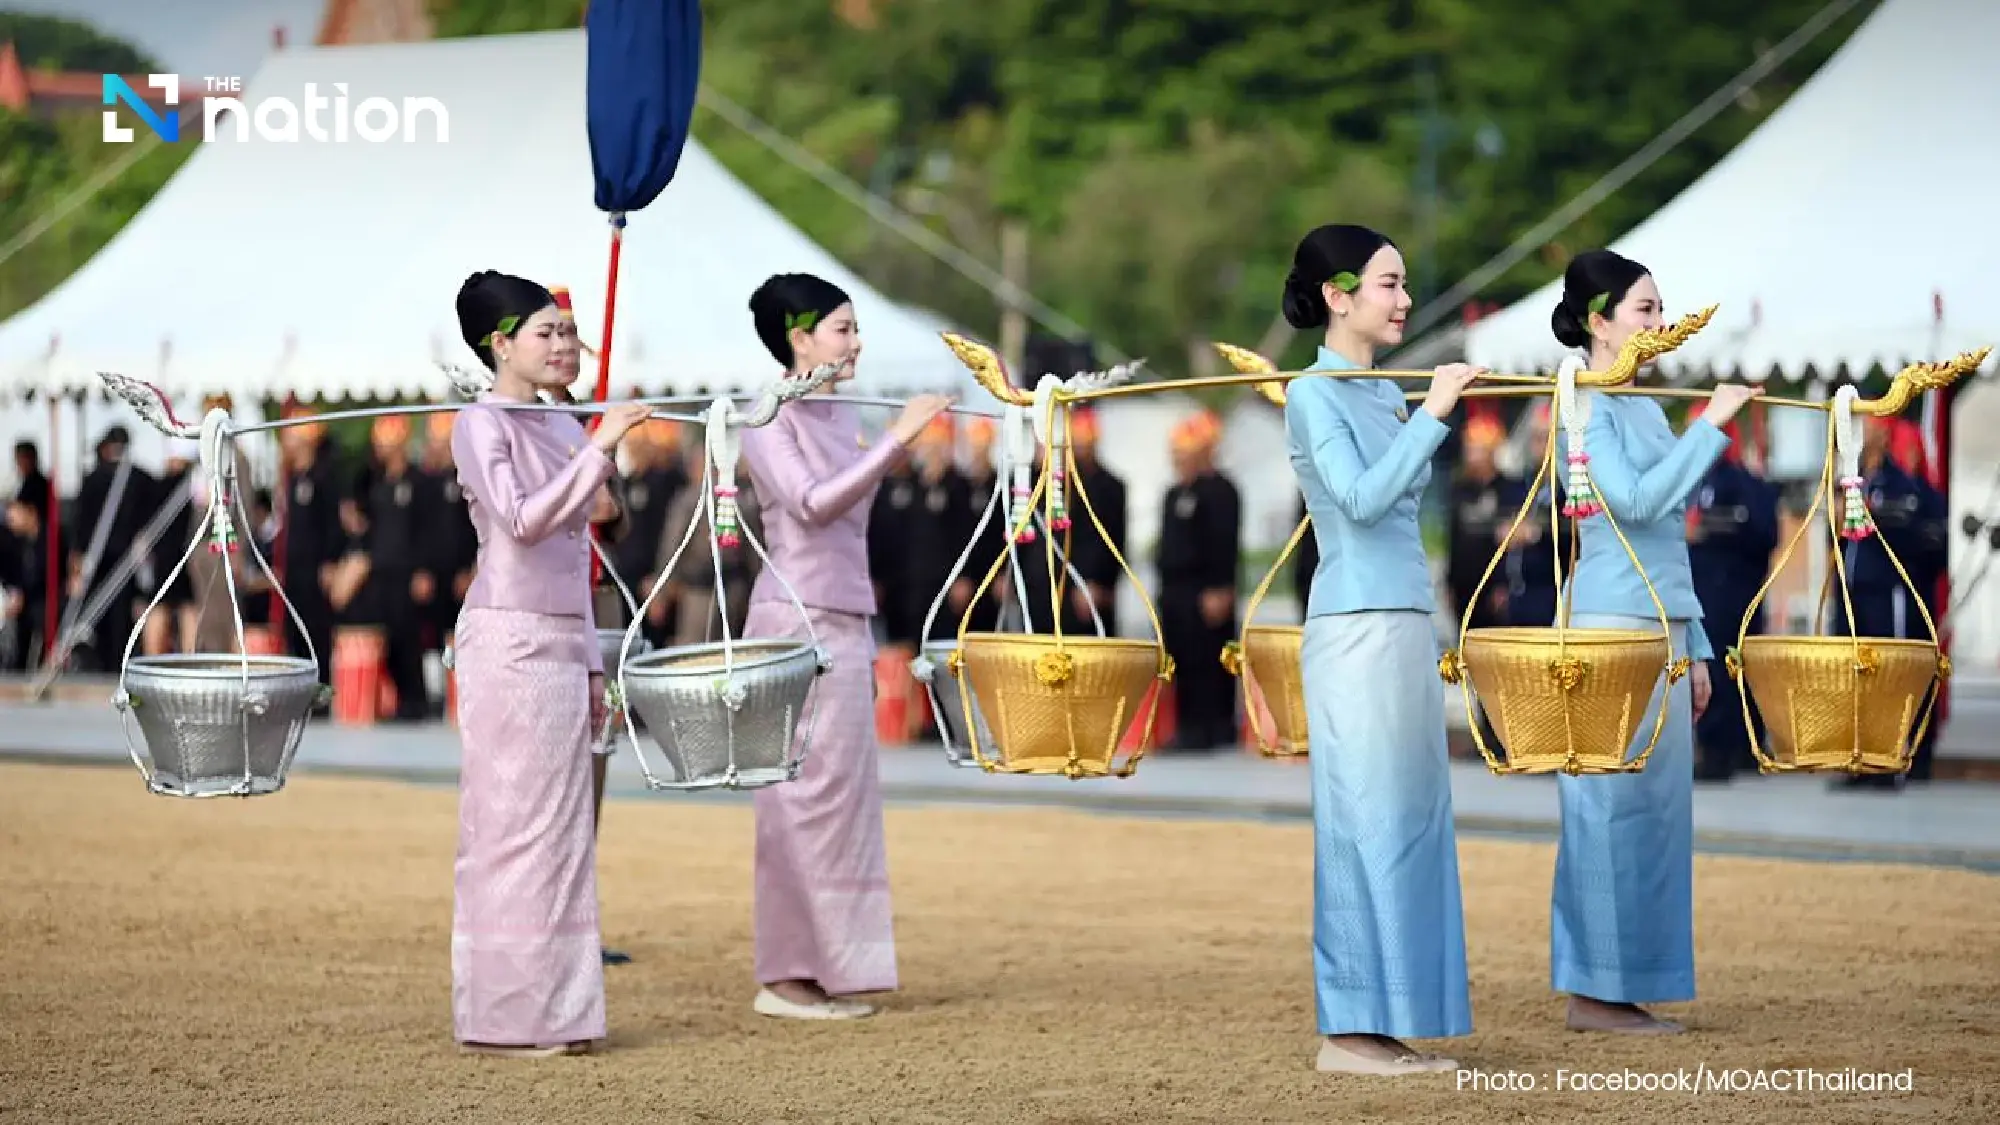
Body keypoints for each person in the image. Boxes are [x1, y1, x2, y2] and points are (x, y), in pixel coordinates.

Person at [1281, 223, 1480, 1075]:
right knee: (1361, 816)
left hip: (1404, 618)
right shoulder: (1311, 395)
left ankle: (1388, 1018)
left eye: (1402, 284)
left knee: (1409, 822)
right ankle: (1348, 1030)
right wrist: (1435, 411)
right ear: (1338, 294)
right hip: (1353, 627)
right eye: (1389, 284)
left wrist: (1418, 411)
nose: (1403, 300)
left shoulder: (1384, 394)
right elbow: (1360, 501)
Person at [1549, 248, 1759, 1035]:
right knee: (1607, 806)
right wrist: (1713, 424)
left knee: (1655, 814)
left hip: (1664, 624)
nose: (1660, 323)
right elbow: (1636, 505)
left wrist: (1698, 645)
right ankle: (1592, 989)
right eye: (1645, 308)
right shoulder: (1587, 406)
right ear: (1599, 322)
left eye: (1660, 307)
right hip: (1609, 627)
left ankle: (1626, 983)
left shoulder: (1641, 406)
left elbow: (1670, 538)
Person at [446, 269, 651, 1057]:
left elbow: (583, 543)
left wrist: (595, 668)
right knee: (513, 827)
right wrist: (600, 445)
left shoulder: (562, 422)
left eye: (568, 331)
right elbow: (525, 521)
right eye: (546, 332)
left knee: (566, 831)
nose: (565, 345)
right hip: (510, 638)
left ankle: (559, 1011)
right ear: (499, 345)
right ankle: (505, 1012)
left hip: (568, 636)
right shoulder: (480, 424)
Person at [736, 272, 951, 1020]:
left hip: (847, 616)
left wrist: (888, 438)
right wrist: (898, 440)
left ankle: (831, 966)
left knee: (845, 799)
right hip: (794, 621)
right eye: (842, 328)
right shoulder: (765, 416)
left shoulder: (842, 409)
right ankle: (786, 974)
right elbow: (813, 503)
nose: (856, 343)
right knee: (795, 798)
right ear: (798, 339)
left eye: (857, 328)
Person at [1834, 417, 1949, 789]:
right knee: (1857, 678)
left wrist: (1867, 510)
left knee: (1887, 675)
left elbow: (1904, 528)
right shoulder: (1855, 480)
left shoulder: (1898, 483)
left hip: (1885, 590)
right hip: (1854, 591)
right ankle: (1860, 760)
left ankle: (1889, 760)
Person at [1687, 422, 1779, 781]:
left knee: (1727, 670)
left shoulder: (1738, 482)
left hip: (1729, 592)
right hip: (1705, 588)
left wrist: (1707, 531)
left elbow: (1760, 535)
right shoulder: (1699, 480)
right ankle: (1724, 747)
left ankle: (1725, 750)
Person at [1156, 411, 1242, 750]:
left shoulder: (1222, 491)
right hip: (1176, 591)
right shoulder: (1174, 493)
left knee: (1209, 658)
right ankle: (1186, 724)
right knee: (1182, 660)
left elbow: (1224, 542)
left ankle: (1214, 726)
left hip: (1207, 588)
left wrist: (1221, 587)